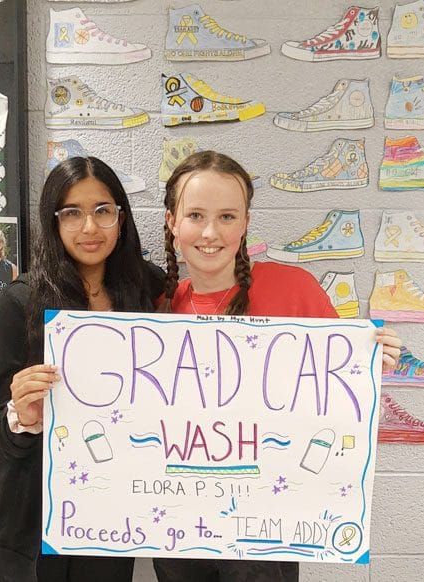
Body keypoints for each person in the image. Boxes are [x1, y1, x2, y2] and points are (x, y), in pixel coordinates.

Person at [153, 151, 402, 582]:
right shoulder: (156, 311)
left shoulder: (294, 290)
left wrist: (370, 364)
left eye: (227, 217)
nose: (210, 232)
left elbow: (338, 397)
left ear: (246, 223)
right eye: (195, 215)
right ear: (172, 222)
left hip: (268, 523)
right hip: (178, 522)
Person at [0, 156, 164, 582]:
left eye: (103, 210)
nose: (89, 227)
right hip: (30, 524)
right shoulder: (19, 302)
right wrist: (22, 418)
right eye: (72, 213)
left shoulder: (148, 289)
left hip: (108, 517)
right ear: (53, 221)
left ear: (122, 217)